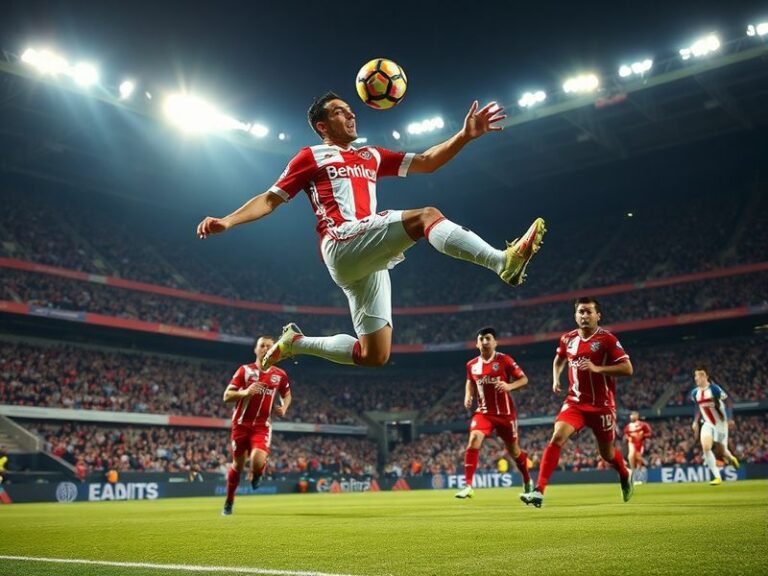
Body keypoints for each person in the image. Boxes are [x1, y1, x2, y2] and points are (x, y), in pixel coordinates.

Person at [197, 93, 546, 370]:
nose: (350, 115)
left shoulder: (371, 155)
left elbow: (427, 162)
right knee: (426, 217)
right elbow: (271, 199)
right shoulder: (311, 156)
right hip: (341, 241)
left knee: (373, 355)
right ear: (322, 126)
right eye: (339, 112)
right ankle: (502, 261)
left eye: (350, 110)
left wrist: (465, 136)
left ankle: (295, 344)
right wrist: (227, 221)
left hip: (367, 255)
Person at [521, 297, 634, 508]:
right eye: (581, 312)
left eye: (589, 312)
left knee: (607, 454)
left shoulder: (607, 339)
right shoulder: (567, 339)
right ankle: (539, 491)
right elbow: (559, 359)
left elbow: (628, 369)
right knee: (557, 437)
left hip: (602, 406)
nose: (584, 315)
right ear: (575, 315)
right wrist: (556, 378)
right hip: (575, 403)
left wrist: (598, 369)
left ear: (598, 315)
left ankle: (624, 472)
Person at [455, 327, 533, 499]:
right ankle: (468, 486)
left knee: (514, 451)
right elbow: (470, 383)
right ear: (477, 343)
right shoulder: (471, 365)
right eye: (481, 339)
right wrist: (468, 396)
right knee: (474, 439)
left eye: (488, 338)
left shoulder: (504, 360)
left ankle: (527, 480)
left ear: (495, 342)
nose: (484, 342)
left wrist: (509, 386)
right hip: (483, 413)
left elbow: (524, 379)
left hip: (505, 414)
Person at [222, 336, 292, 516]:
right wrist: (245, 391)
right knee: (237, 465)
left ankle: (258, 473)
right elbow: (226, 396)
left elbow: (287, 394)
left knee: (257, 459)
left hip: (262, 426)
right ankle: (229, 502)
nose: (265, 349)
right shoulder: (244, 371)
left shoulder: (280, 375)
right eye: (262, 345)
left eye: (269, 346)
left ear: (274, 351)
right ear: (255, 349)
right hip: (240, 425)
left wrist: (283, 407)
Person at [690, 367, 739, 486]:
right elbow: (698, 407)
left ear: (706, 376)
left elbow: (728, 402)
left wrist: (730, 418)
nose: (697, 378)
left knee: (722, 452)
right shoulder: (695, 392)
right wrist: (695, 421)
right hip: (707, 423)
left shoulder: (714, 389)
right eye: (696, 375)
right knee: (706, 447)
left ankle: (731, 458)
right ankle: (717, 477)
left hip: (720, 424)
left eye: (700, 375)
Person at [623, 411, 652, 484]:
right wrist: (626, 438)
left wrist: (643, 436)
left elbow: (649, 433)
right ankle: (637, 479)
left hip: (640, 445)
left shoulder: (643, 425)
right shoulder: (627, 427)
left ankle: (641, 478)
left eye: (633, 415)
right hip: (631, 445)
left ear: (637, 416)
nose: (632, 416)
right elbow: (626, 436)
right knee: (633, 462)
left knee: (638, 460)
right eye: (631, 415)